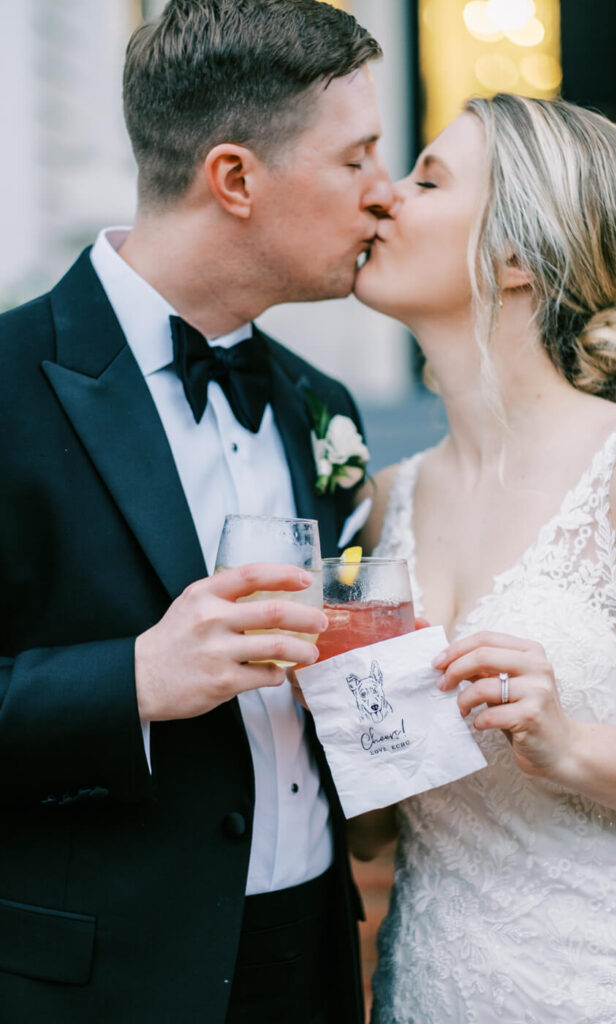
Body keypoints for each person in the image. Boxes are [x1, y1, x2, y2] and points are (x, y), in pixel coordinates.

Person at [0, 1, 394, 1021]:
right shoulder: (4, 386)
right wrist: (130, 679)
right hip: (93, 985)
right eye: (355, 160)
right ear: (233, 179)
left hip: (305, 962)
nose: (382, 197)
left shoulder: (323, 405)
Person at [352, 93, 616, 1022]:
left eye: (427, 180)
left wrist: (569, 745)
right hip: (430, 990)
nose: (383, 197)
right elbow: (379, 833)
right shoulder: (385, 502)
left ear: (513, 257)